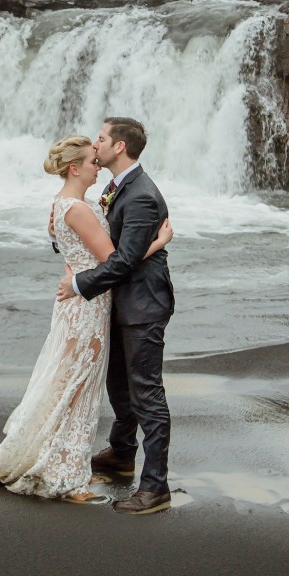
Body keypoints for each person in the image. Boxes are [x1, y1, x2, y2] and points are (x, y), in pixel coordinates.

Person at [0, 135, 172, 504]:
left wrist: (72, 260)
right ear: (74, 168)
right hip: (87, 304)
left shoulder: (70, 203)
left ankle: (69, 459)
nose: (98, 160)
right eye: (92, 160)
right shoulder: (77, 207)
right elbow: (116, 259)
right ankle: (62, 469)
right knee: (75, 387)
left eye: (101, 148)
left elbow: (73, 239)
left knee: (71, 382)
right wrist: (159, 244)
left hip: (85, 300)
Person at [57, 117, 175, 515]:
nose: (97, 143)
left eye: (102, 138)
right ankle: (122, 454)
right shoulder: (115, 187)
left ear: (119, 147)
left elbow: (123, 261)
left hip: (142, 305)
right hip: (120, 302)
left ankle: (155, 488)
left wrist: (78, 284)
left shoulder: (141, 194)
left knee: (147, 395)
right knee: (119, 386)